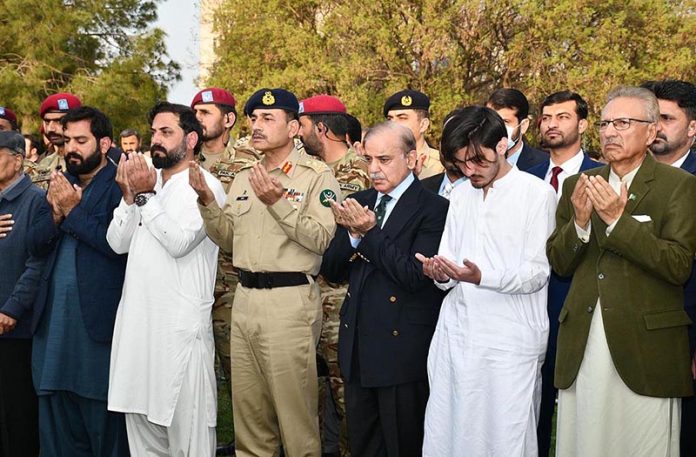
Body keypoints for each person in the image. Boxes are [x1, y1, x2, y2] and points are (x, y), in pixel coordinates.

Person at [191, 87, 340, 457]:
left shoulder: (316, 176)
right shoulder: (245, 176)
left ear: (293, 128)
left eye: (267, 119)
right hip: (245, 301)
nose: (256, 126)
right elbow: (228, 238)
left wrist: (278, 203)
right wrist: (209, 203)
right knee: (250, 417)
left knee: (296, 419)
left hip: (289, 302)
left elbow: (321, 239)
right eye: (254, 118)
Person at [548, 86, 696, 457]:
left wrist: (617, 221)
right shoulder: (576, 185)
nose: (611, 131)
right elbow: (559, 262)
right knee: (584, 442)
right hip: (584, 339)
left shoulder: (680, 187)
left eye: (624, 123)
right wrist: (580, 225)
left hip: (645, 346)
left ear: (651, 132)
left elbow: (677, 265)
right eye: (605, 123)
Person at [417, 106, 555, 456]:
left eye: (478, 161)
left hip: (509, 341)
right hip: (457, 335)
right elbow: (449, 259)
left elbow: (538, 272)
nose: (469, 170)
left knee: (506, 436)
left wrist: (483, 276)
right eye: (461, 163)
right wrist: (439, 273)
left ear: (504, 146)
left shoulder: (536, 194)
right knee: (449, 429)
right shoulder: (459, 194)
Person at [321, 121, 448, 456]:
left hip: (401, 351)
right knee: (363, 443)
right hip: (357, 346)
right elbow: (331, 270)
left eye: (384, 160)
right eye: (368, 160)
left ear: (411, 158)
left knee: (402, 443)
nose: (374, 169)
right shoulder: (359, 201)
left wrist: (369, 233)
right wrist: (351, 235)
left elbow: (412, 275)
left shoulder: (434, 208)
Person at [106, 102, 225, 456]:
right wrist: (130, 199)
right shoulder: (147, 183)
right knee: (143, 442)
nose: (155, 140)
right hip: (138, 335)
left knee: (189, 444)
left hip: (179, 336)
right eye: (153, 132)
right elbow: (116, 243)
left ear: (190, 139)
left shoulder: (206, 186)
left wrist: (144, 197)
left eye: (166, 132)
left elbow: (179, 243)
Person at [29, 106, 129, 456]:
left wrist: (72, 210)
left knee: (102, 430)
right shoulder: (60, 182)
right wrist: (56, 212)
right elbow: (35, 243)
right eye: (68, 140)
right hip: (53, 329)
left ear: (104, 144)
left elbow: (114, 246)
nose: (71, 148)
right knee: (56, 430)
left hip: (96, 329)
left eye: (81, 140)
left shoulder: (120, 186)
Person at [525, 90, 601, 456]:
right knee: (530, 407)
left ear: (583, 124)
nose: (552, 124)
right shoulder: (525, 176)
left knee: (578, 412)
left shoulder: (601, 176)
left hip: (574, 305)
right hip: (525, 305)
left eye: (563, 117)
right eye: (546, 117)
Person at [298, 94, 370, 456]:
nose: (298, 132)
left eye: (304, 126)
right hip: (311, 296)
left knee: (345, 395)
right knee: (313, 392)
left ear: (321, 128)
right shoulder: (308, 170)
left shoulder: (357, 171)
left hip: (341, 298)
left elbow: (346, 240)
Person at [641, 78, 696, 457]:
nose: (656, 127)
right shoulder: (621, 177)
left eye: (666, 118)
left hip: (687, 334)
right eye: (650, 118)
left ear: (692, 127)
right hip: (633, 335)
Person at [0, 130, 47, 457]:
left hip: (16, 329)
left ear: (18, 161)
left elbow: (37, 263)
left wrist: (12, 309)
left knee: (19, 415)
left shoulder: (34, 200)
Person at [384, 89, 444, 179]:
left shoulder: (441, 165)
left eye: (402, 118)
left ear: (423, 125)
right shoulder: (379, 162)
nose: (393, 124)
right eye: (390, 119)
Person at [486, 88, 547, 171]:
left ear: (523, 126)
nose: (496, 127)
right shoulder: (472, 161)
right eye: (491, 120)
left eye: (505, 122)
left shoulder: (545, 164)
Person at [36, 93, 82, 174]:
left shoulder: (93, 161)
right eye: (47, 122)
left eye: (59, 121)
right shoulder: (44, 163)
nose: (50, 129)